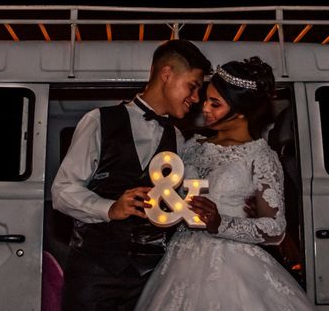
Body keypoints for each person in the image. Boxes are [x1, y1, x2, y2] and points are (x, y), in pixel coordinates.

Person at [134, 57, 314, 311]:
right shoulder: (190, 147)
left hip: (233, 266)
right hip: (179, 262)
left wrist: (221, 223)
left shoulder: (260, 156)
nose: (204, 107)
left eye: (214, 103)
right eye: (206, 99)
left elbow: (275, 228)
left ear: (241, 111)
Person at [52, 39, 212, 311]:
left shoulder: (177, 137)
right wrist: (110, 208)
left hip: (150, 278)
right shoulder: (98, 120)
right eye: (193, 86)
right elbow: (62, 190)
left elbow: (178, 201)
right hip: (96, 272)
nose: (196, 98)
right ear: (166, 74)